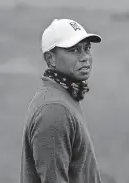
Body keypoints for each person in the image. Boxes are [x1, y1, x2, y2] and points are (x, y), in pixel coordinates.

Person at [20, 18, 103, 183]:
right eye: (73, 50)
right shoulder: (54, 110)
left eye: (87, 48)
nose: (85, 57)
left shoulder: (64, 96)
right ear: (50, 59)